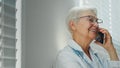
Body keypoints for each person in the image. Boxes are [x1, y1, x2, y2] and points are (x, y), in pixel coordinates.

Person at [55, 6, 120, 68]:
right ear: (73, 25)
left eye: (97, 21)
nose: (96, 25)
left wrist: (111, 49)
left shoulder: (97, 55)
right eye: (90, 20)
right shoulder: (66, 56)